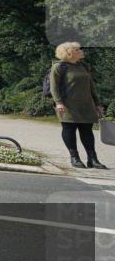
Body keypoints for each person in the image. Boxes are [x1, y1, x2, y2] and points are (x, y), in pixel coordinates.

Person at [51, 42, 107, 170]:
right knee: (69, 129)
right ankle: (74, 158)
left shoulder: (84, 66)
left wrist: (97, 104)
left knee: (87, 131)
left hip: (86, 105)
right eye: (77, 50)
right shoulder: (59, 67)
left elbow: (91, 86)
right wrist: (59, 102)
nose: (81, 51)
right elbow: (54, 88)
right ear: (69, 53)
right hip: (67, 105)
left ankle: (92, 159)